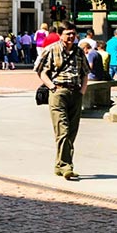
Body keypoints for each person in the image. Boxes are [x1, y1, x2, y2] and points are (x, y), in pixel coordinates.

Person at [35, 21, 87, 180]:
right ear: (61, 35)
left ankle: (60, 164)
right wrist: (51, 87)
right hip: (58, 92)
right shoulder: (51, 50)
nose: (71, 36)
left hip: (75, 93)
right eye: (68, 33)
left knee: (71, 131)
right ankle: (66, 166)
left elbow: (85, 72)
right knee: (62, 130)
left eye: (73, 33)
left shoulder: (79, 52)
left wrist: (83, 90)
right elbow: (40, 71)